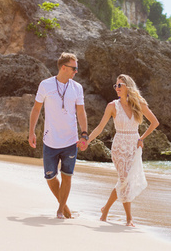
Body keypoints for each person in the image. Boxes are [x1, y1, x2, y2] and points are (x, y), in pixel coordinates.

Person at [86, 74, 159, 227]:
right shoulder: (112, 106)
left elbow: (154, 122)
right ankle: (129, 219)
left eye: (120, 85)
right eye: (116, 86)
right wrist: (87, 141)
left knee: (124, 181)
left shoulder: (138, 104)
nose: (117, 88)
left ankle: (105, 210)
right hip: (119, 147)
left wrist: (142, 138)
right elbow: (100, 127)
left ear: (128, 87)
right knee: (125, 180)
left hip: (134, 146)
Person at [28, 52, 89, 219]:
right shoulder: (45, 85)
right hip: (50, 140)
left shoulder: (77, 88)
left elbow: (81, 112)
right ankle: (65, 206)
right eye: (74, 68)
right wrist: (31, 132)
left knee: (67, 176)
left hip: (70, 140)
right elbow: (36, 109)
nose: (76, 71)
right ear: (64, 67)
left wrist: (84, 134)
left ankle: (61, 210)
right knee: (50, 177)